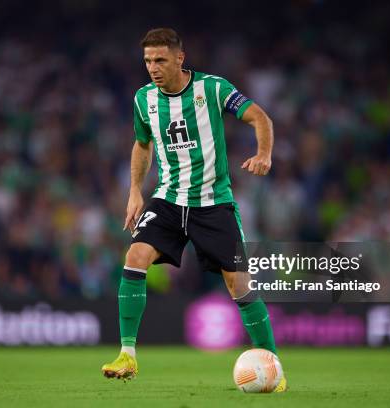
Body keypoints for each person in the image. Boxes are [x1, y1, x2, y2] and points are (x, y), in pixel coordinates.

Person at [102, 28, 287, 392]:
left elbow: (260, 118)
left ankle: (272, 363)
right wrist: (135, 191)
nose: (153, 68)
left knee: (239, 285)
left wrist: (264, 153)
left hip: (212, 202)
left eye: (160, 60)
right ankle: (127, 354)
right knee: (135, 255)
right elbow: (142, 145)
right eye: (148, 61)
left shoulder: (213, 89)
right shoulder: (144, 99)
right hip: (169, 199)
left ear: (179, 58)